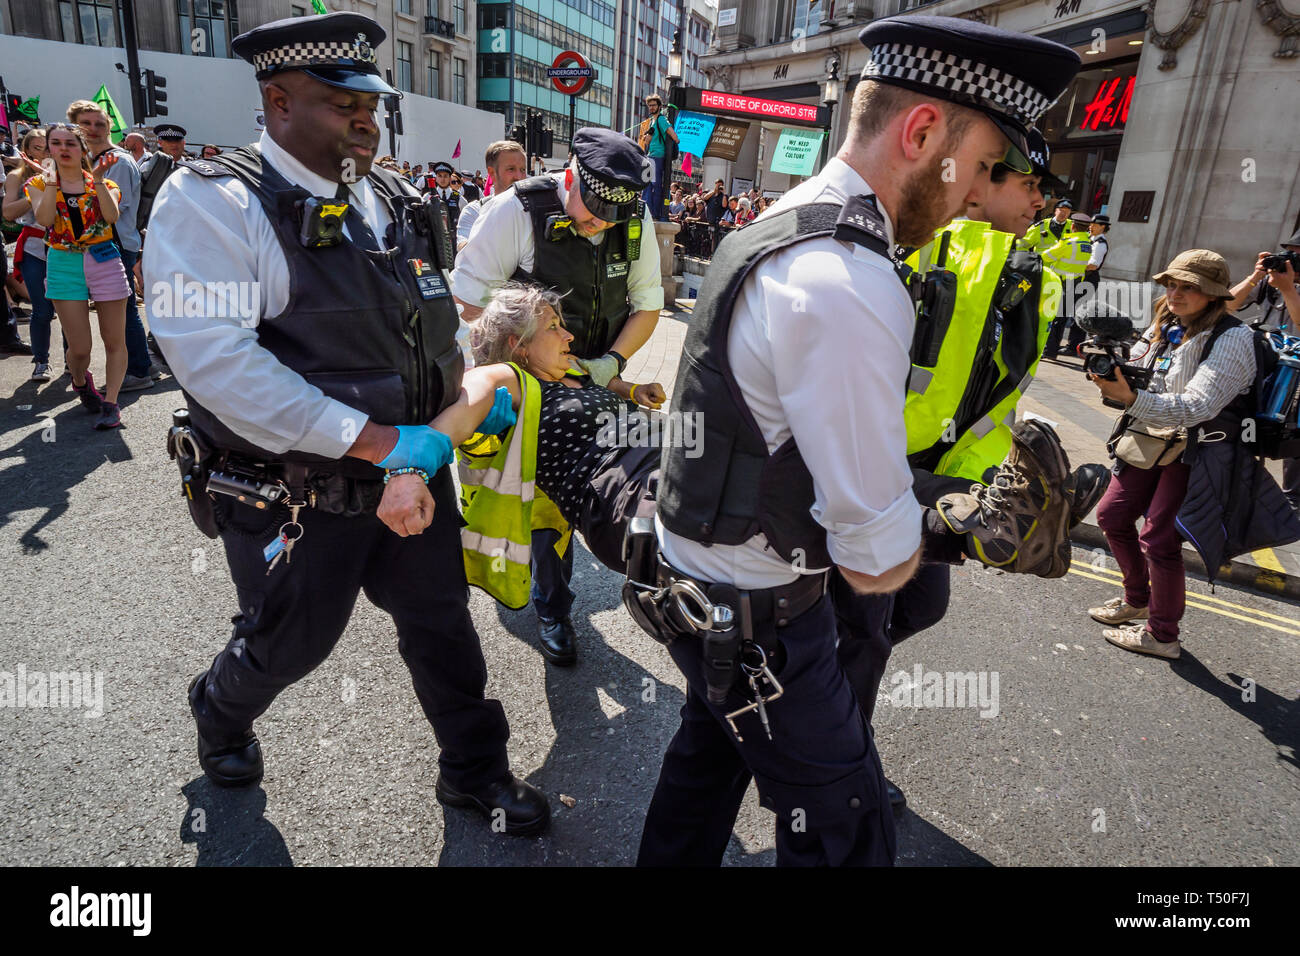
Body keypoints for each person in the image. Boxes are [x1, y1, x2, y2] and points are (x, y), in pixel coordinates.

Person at [639, 14, 1081, 867]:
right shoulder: (850, 280)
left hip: (704, 586)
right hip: (765, 616)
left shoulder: (786, 220)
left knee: (703, 770)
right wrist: (971, 531)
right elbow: (873, 561)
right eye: (983, 167)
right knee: (843, 824)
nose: (975, 196)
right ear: (922, 133)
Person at [145, 11, 550, 835]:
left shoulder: (392, 196)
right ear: (277, 100)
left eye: (370, 103)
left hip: (413, 472)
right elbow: (215, 364)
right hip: (294, 493)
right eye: (341, 103)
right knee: (290, 645)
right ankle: (220, 709)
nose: (365, 119)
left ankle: (473, 770)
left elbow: (421, 329)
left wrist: (465, 391)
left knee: (442, 625)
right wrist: (376, 442)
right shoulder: (212, 203)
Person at [850, 126, 1101, 810]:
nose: (1041, 201)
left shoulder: (1023, 266)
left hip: (947, 483)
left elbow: (993, 390)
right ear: (983, 180)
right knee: (865, 637)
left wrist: (992, 488)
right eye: (1028, 184)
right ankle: (846, 760)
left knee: (916, 610)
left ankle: (824, 704)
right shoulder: (918, 246)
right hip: (883, 478)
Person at [452, 126, 664, 666]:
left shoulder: (629, 221)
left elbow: (646, 305)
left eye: (608, 219)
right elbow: (467, 300)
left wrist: (609, 366)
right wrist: (510, 370)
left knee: (600, 484)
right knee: (544, 506)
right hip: (526, 380)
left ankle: (647, 569)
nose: (596, 225)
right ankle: (553, 609)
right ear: (570, 176)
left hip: (590, 374)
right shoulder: (515, 212)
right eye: (589, 211)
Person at [1088, 250, 1300, 658]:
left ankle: (1163, 636)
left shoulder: (1233, 339)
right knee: (1111, 516)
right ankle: (1137, 598)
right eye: (1171, 283)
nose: (1175, 292)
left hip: (1200, 449)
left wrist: (1130, 398)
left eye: (1189, 286)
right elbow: (1143, 364)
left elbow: (1197, 406)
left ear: (1213, 293)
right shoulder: (1168, 322)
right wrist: (1112, 363)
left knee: (1158, 539)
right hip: (1152, 434)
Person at [27, 123, 131, 428]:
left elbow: (111, 219)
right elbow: (45, 219)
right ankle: (80, 380)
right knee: (80, 347)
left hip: (104, 260)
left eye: (70, 143)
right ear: (48, 149)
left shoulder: (104, 183)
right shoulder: (36, 183)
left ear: (82, 148)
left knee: (115, 339)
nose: (63, 149)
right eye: (56, 143)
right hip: (63, 262)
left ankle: (111, 402)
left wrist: (97, 180)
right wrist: (49, 182)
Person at [68, 100, 158, 391]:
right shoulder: (92, 159)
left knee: (124, 309)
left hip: (114, 243)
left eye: (100, 124)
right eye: (86, 124)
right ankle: (137, 366)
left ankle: (138, 370)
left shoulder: (114, 161)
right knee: (119, 307)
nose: (93, 129)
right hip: (103, 243)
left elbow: (115, 208)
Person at [1228, 234, 1300, 510]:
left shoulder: (1285, 287)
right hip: (1263, 366)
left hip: (1296, 374)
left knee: (1295, 434)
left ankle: (1293, 499)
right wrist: (1255, 276)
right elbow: (1226, 305)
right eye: (1288, 255)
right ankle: (1238, 483)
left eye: (1296, 257)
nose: (1289, 262)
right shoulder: (1270, 284)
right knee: (1245, 423)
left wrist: (1289, 290)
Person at [3, 128, 52, 373]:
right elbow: (8, 213)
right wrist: (36, 191)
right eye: (37, 147)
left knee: (71, 309)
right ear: (26, 151)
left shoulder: (66, 173)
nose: (43, 153)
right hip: (34, 248)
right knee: (42, 309)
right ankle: (41, 361)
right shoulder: (17, 177)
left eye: (47, 147)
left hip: (65, 249)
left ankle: (74, 366)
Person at [455, 139, 527, 252]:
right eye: (511, 169)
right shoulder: (474, 211)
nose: (519, 176)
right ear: (492, 172)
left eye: (523, 169)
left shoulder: (531, 210)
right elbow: (465, 250)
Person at [638, 93, 678, 222]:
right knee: (646, 185)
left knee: (654, 185)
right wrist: (647, 138)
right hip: (650, 156)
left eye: (654, 105)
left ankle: (653, 213)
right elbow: (649, 141)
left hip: (657, 157)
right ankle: (647, 212)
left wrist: (673, 140)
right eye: (649, 106)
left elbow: (675, 137)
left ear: (660, 106)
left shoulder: (661, 119)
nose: (651, 108)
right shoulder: (652, 121)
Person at [429, 160, 461, 233]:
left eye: (445, 176)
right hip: (435, 239)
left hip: (453, 239)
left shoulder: (458, 197)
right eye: (439, 176)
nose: (442, 179)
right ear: (436, 178)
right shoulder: (428, 197)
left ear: (450, 178)